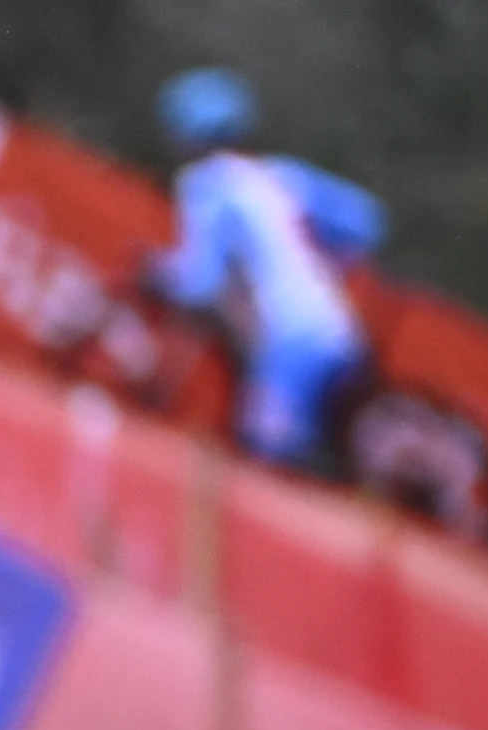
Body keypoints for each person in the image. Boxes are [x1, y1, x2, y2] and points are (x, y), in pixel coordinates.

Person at [140, 69, 388, 475]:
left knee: (264, 463)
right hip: (341, 333)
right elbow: (366, 222)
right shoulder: (282, 177)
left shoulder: (206, 184)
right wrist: (328, 262)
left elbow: (201, 281)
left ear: (188, 135)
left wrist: (160, 274)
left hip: (291, 345)